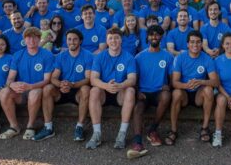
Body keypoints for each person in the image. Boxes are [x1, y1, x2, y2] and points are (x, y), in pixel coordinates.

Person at [85, 28, 137, 150]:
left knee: (130, 90)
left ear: (121, 40)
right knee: (94, 90)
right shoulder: (99, 57)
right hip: (104, 91)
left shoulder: (129, 57)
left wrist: (120, 85)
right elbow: (93, 79)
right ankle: (96, 134)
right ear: (107, 41)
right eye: (111, 38)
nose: (114, 41)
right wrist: (106, 86)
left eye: (116, 38)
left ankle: (122, 134)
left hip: (120, 92)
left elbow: (132, 79)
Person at [0, 27, 54, 140]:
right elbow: (10, 78)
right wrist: (12, 85)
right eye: (28, 38)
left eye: (35, 38)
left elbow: (47, 80)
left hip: (37, 89)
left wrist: (31, 86)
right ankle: (14, 127)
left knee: (34, 93)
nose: (32, 41)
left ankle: (30, 126)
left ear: (39, 39)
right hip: (21, 91)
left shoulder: (47, 55)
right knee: (4, 92)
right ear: (24, 39)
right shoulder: (18, 55)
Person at [37, 29, 92, 141]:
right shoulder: (61, 56)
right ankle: (48, 127)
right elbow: (53, 77)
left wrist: (73, 84)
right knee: (47, 88)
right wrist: (61, 84)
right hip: (62, 90)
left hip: (77, 90)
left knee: (86, 89)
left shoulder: (88, 55)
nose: (72, 42)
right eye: (69, 39)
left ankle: (79, 127)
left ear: (80, 41)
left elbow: (88, 79)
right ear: (66, 41)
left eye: (75, 39)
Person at [127, 25, 173, 158]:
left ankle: (152, 129)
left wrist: (168, 85)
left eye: (157, 34)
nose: (154, 37)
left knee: (166, 95)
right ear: (147, 37)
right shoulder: (139, 57)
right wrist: (137, 92)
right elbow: (133, 78)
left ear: (161, 37)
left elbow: (172, 77)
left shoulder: (168, 56)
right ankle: (137, 142)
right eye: (151, 35)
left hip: (159, 92)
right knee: (138, 109)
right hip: (143, 93)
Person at [168, 30, 219, 145]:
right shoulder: (180, 58)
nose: (195, 45)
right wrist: (186, 85)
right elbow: (174, 82)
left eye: (198, 42)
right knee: (176, 93)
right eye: (192, 42)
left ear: (202, 44)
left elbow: (215, 82)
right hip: (184, 93)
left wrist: (201, 81)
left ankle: (205, 128)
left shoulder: (207, 58)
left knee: (209, 90)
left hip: (198, 94)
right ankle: (173, 130)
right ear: (187, 44)